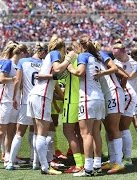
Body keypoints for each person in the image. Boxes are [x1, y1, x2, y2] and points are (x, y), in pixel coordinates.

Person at [27, 35, 75, 175]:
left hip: (37, 95)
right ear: (62, 48)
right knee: (42, 133)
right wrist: (68, 58)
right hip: (41, 96)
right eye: (65, 49)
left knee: (37, 132)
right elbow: (58, 69)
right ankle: (45, 167)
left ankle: (37, 162)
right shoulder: (54, 54)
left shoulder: (48, 57)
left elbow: (54, 76)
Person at [5, 42, 48, 170]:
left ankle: (10, 162)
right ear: (43, 52)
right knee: (36, 132)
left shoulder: (23, 61)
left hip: (26, 101)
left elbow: (17, 81)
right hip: (39, 100)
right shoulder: (44, 64)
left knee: (19, 133)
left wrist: (14, 97)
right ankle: (35, 162)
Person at [67, 36, 105, 177]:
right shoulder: (96, 57)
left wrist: (70, 66)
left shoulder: (83, 56)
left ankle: (88, 168)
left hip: (88, 98)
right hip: (98, 97)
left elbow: (79, 72)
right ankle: (97, 165)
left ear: (81, 46)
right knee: (95, 133)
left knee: (86, 133)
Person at [0, 42, 27, 171]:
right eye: (24, 53)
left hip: (14, 101)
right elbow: (1, 79)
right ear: (20, 53)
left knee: (11, 133)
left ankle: (8, 157)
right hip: (4, 101)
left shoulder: (17, 65)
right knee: (0, 132)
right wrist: (14, 79)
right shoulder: (8, 63)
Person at [112, 41, 137, 164]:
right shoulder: (114, 63)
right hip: (121, 98)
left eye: (118, 55)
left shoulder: (135, 62)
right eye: (115, 56)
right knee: (121, 127)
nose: (116, 58)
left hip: (133, 98)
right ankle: (124, 154)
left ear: (124, 52)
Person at [94, 41, 125, 174]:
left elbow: (115, 69)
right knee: (108, 129)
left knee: (113, 128)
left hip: (113, 93)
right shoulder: (90, 58)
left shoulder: (100, 54)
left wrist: (102, 73)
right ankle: (113, 160)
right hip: (106, 95)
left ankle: (119, 162)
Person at [62, 42, 84, 173]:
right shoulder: (84, 59)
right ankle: (86, 160)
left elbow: (58, 72)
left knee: (68, 131)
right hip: (83, 99)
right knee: (81, 133)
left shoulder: (71, 59)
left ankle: (79, 163)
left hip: (71, 100)